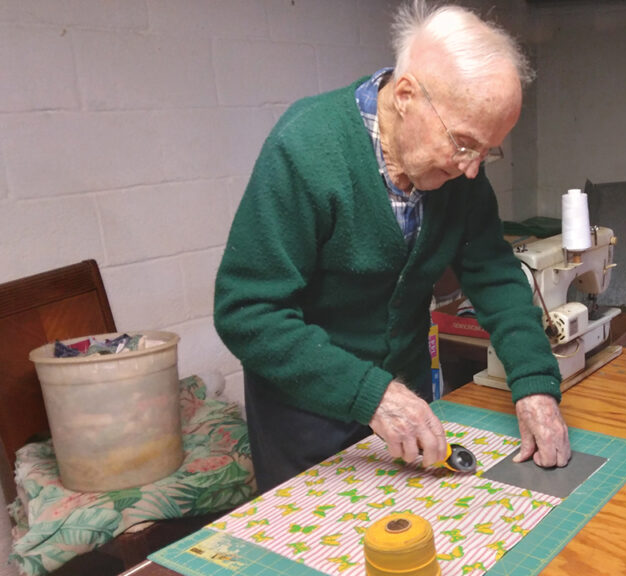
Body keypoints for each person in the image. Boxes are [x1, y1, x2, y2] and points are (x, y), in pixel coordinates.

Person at [214, 0, 571, 492]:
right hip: (306, 418)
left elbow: (495, 277)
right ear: (405, 95)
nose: (472, 168)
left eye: (488, 151)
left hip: (408, 407)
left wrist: (534, 384)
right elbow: (247, 312)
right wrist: (375, 396)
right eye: (464, 144)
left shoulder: (460, 172)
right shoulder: (305, 149)